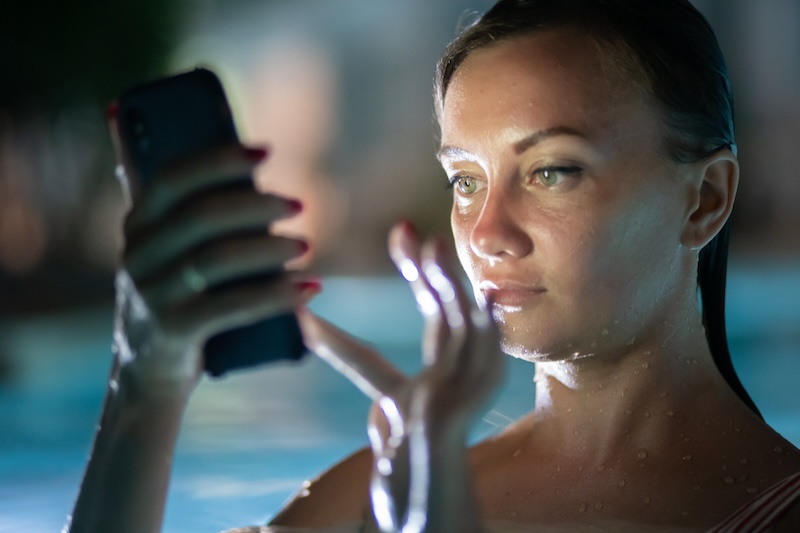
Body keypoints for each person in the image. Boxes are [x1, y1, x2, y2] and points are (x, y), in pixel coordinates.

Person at [67, 1, 800, 532]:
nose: (487, 232)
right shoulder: (388, 485)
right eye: (466, 180)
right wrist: (144, 386)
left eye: (552, 171)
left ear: (704, 199)